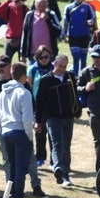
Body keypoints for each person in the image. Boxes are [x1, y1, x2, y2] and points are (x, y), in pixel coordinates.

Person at [34, 50, 80, 186]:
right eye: (60, 66)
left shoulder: (70, 77)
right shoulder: (46, 80)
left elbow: (75, 94)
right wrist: (38, 121)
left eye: (64, 67)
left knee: (66, 146)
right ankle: (59, 169)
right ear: (55, 64)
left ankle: (64, 173)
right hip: (53, 118)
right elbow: (39, 101)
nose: (62, 69)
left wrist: (77, 109)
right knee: (56, 144)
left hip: (68, 117)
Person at [0, 61, 38, 198]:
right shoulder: (24, 93)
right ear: (23, 76)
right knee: (21, 167)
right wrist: (29, 136)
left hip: (7, 131)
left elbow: (0, 115)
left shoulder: (3, 93)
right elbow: (27, 119)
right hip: (20, 131)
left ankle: (13, 195)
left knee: (12, 166)